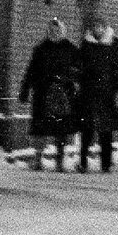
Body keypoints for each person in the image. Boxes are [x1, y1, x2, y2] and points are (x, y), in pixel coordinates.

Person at [19, 19, 83, 171]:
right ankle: (38, 159)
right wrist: (25, 90)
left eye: (57, 30)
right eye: (51, 30)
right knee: (40, 128)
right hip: (42, 92)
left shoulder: (71, 49)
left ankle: (60, 160)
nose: (54, 33)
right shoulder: (40, 49)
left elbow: (79, 71)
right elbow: (31, 71)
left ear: (63, 31)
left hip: (63, 94)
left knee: (61, 128)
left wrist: (70, 80)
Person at [76, 23, 118, 174]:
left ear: (105, 28)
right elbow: (80, 66)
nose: (98, 29)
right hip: (89, 92)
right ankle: (83, 162)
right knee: (87, 129)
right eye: (95, 26)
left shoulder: (115, 43)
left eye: (100, 26)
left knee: (106, 130)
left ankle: (106, 163)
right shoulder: (87, 43)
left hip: (107, 93)